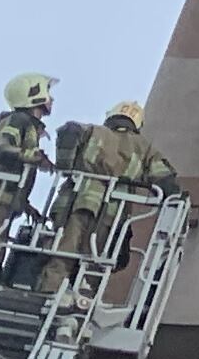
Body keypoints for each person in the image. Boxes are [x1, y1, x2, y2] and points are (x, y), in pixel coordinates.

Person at [60, 99, 177, 263]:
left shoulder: (93, 131)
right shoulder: (144, 147)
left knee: (61, 251)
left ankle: (53, 277)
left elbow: (69, 131)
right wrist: (175, 200)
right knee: (93, 258)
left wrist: (66, 166)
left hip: (72, 200)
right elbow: (163, 177)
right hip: (111, 211)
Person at [0, 74, 55, 253]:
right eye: (47, 93)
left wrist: (25, 204)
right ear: (34, 94)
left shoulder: (28, 125)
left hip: (0, 197)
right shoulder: (19, 120)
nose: (51, 99)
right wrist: (33, 156)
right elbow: (3, 147)